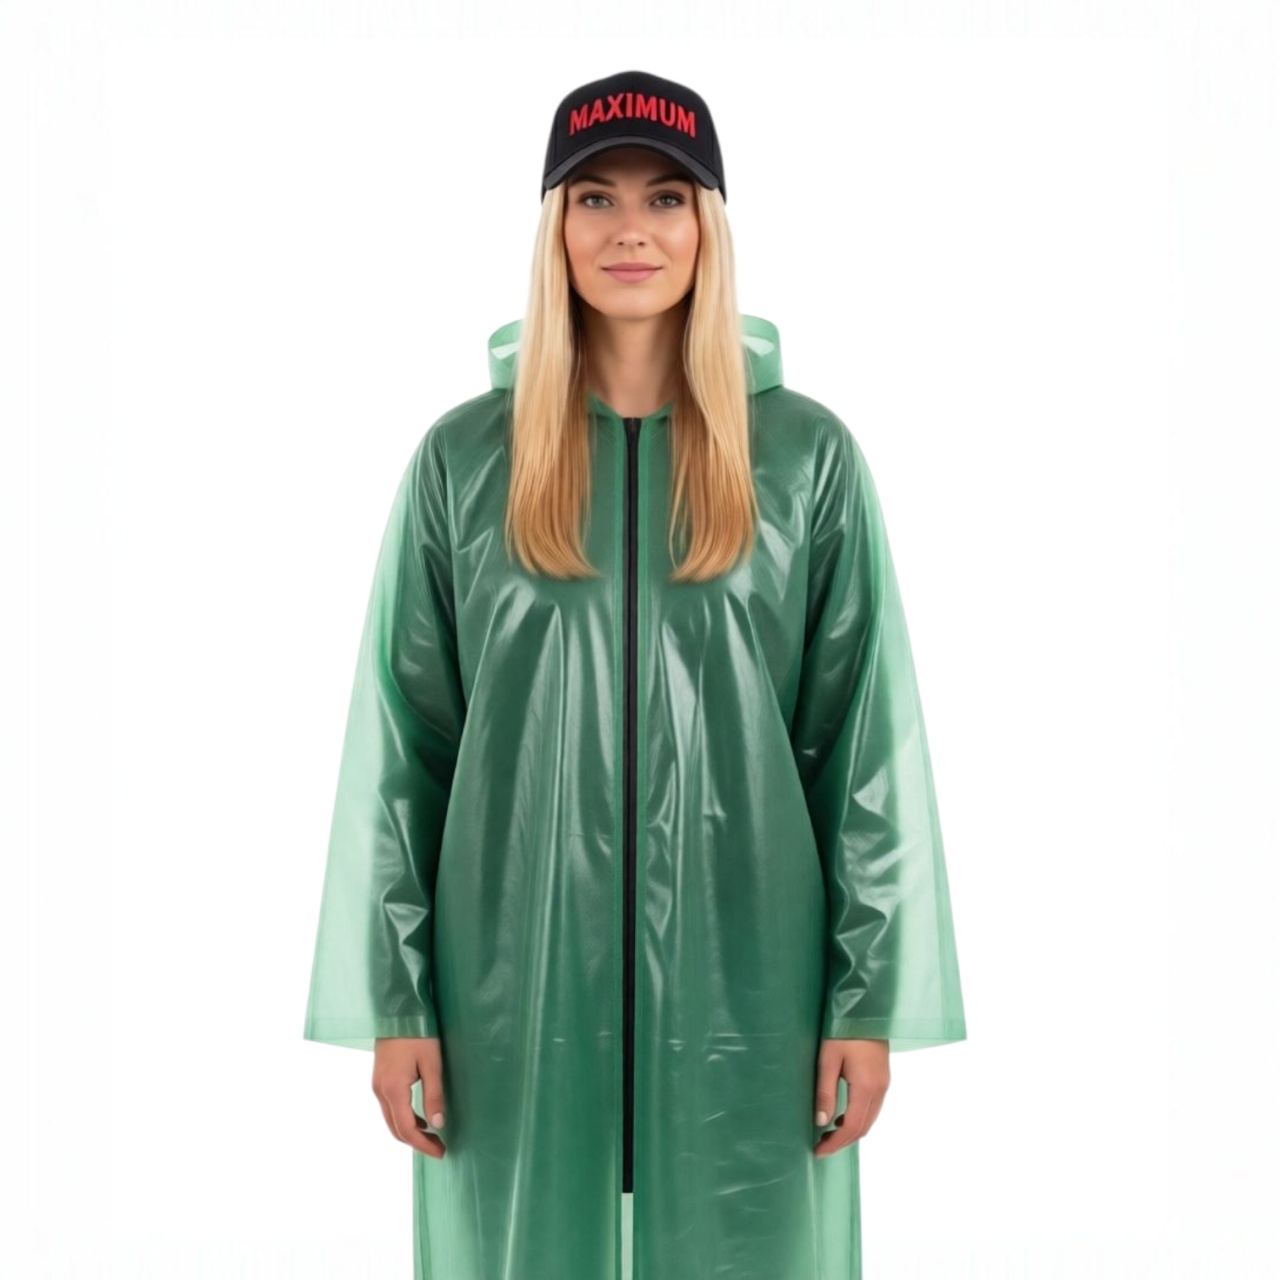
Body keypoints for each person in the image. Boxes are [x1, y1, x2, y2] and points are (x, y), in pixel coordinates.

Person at [302, 68, 967, 1280]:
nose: (630, 231)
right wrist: (399, 1001)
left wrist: (862, 1002)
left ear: (707, 227)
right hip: (511, 993)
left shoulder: (802, 459)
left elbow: (855, 745)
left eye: (665, 197)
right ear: (553, 228)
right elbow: (409, 749)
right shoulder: (465, 462)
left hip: (746, 994)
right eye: (594, 198)